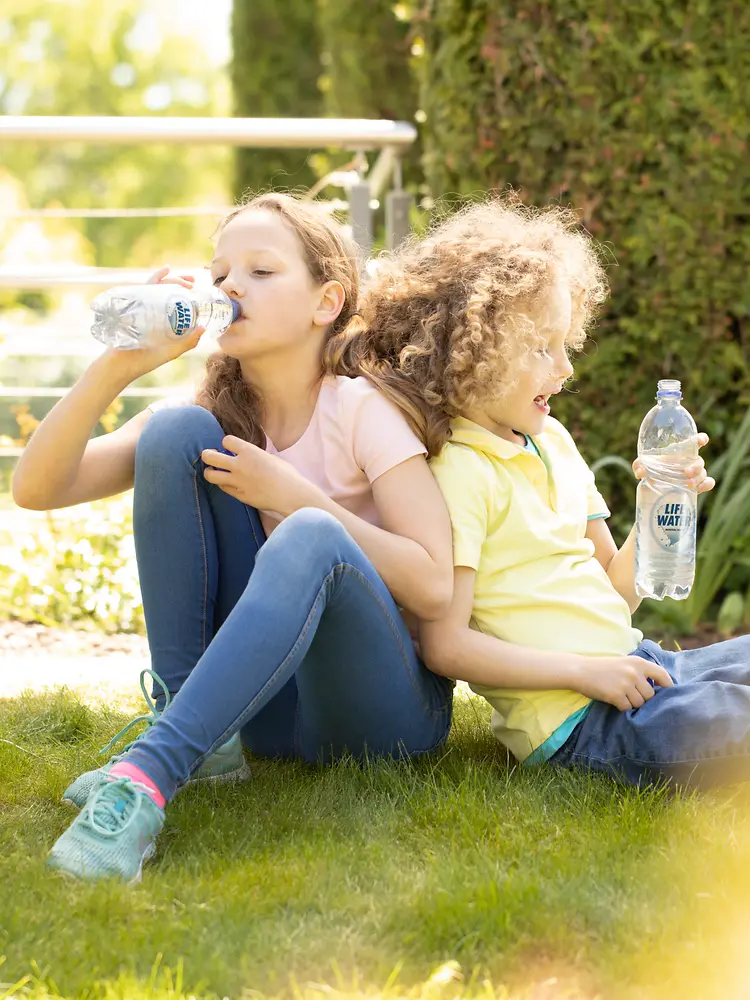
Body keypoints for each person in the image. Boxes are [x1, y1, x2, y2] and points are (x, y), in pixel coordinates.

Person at [13, 193, 454, 882]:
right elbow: (38, 489)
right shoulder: (214, 410)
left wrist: (297, 497)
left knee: (308, 533)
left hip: (382, 719)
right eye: (220, 274)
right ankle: (202, 745)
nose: (229, 287)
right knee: (171, 435)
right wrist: (120, 365)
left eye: (261, 271)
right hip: (269, 724)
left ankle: (149, 777)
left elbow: (433, 583)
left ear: (326, 302)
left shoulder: (361, 408)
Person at [335, 195, 750, 792]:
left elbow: (615, 590)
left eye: (565, 344)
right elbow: (445, 646)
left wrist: (661, 504)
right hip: (582, 723)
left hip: (639, 670)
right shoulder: (459, 473)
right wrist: (586, 674)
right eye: (540, 349)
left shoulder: (551, 438)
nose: (566, 368)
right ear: (470, 354)